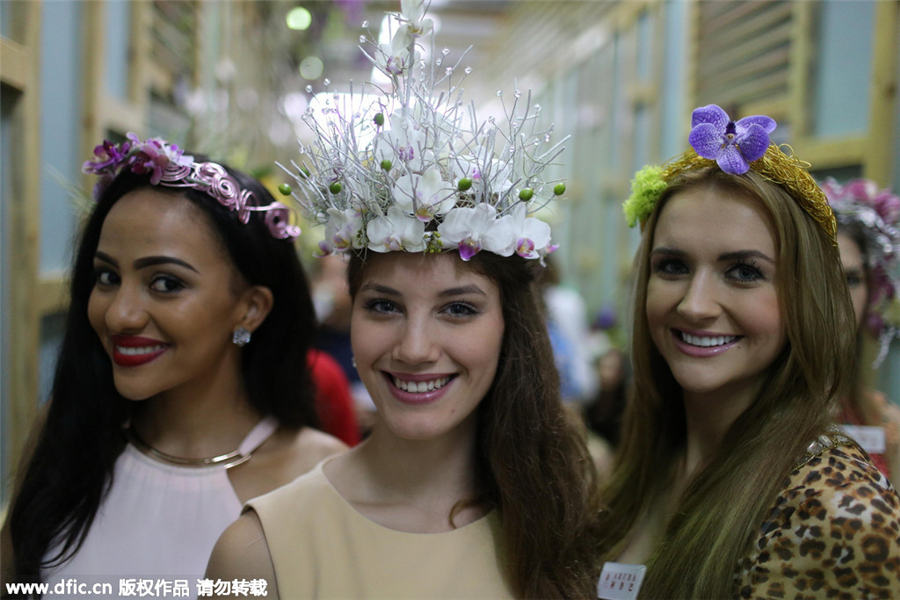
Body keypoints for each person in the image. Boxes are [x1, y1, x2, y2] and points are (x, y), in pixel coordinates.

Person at [207, 2, 603, 597]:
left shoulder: (567, 514)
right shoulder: (254, 552)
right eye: (385, 306)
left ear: (509, 324)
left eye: (458, 309)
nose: (415, 349)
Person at [1, 135, 345, 592]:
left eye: (165, 283)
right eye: (106, 276)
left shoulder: (318, 477)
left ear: (251, 308)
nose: (119, 314)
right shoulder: (68, 432)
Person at [597, 104, 900, 598]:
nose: (694, 306)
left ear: (803, 294)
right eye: (672, 266)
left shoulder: (836, 511)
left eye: (743, 272)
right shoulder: (649, 460)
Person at [823, 178, 900, 482]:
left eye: (851, 280)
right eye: (819, 278)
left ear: (872, 291)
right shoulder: (736, 411)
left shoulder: (885, 424)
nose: (836, 299)